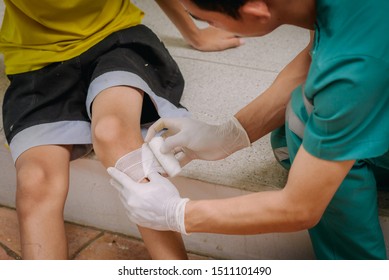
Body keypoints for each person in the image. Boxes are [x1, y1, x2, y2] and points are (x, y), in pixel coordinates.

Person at [108, 0, 389, 259]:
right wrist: (229, 135)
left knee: (307, 130)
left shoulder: (354, 66)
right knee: (291, 133)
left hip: (367, 70)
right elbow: (314, 58)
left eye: (206, 19)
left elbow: (300, 208)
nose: (208, 27)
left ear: (255, 10)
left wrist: (178, 213)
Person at [0, 0, 243, 260]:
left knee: (112, 131)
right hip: (38, 63)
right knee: (35, 181)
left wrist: (193, 33)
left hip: (114, 40)